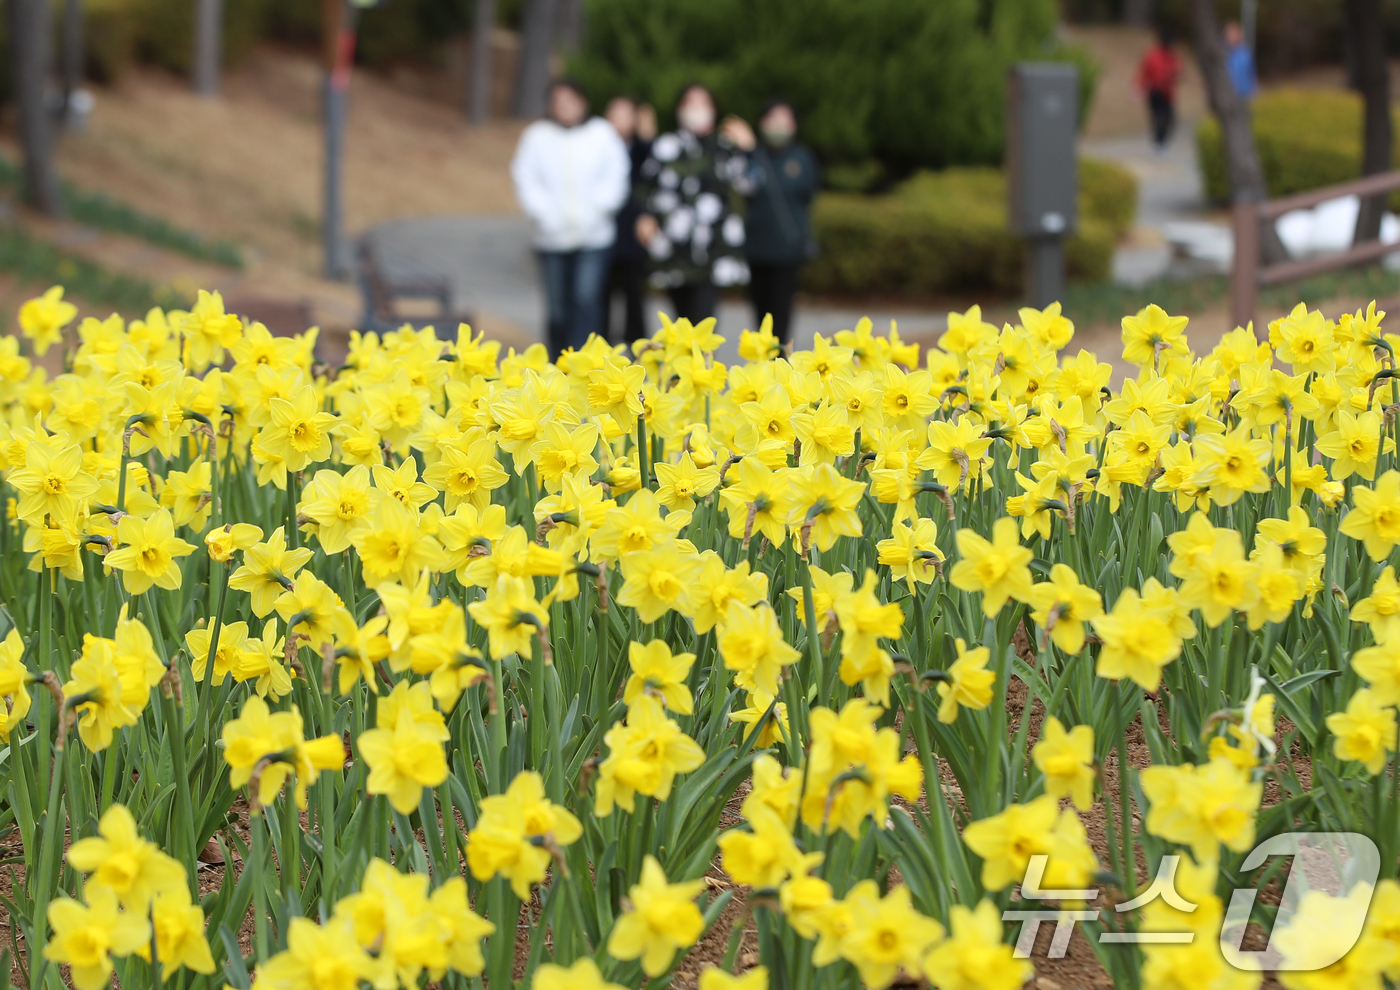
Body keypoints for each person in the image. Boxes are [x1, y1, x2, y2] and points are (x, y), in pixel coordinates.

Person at [510, 78, 631, 356]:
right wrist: (544, 215)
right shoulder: (536, 136)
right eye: (559, 102)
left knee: (586, 299)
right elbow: (525, 178)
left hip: (594, 235)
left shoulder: (601, 133)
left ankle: (587, 364)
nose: (565, 107)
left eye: (571, 101)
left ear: (583, 102)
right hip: (551, 238)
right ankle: (558, 365)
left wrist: (596, 210)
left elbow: (615, 176)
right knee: (557, 308)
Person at [634, 83, 754, 325]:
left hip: (712, 249)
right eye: (690, 103)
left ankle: (702, 364)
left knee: (703, 324)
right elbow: (645, 186)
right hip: (673, 247)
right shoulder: (666, 146)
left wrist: (750, 149)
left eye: (703, 103)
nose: (696, 109)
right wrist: (644, 216)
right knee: (681, 323)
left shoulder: (725, 146)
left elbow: (749, 184)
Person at [743, 99, 818, 348]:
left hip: (787, 248)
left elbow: (806, 194)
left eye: (784, 120)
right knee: (760, 312)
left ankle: (780, 362)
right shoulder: (752, 155)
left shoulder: (801, 157)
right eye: (772, 119)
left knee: (781, 311)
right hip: (756, 246)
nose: (778, 126)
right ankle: (764, 359)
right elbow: (747, 188)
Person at [603, 95, 654, 346]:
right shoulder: (597, 149)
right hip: (604, 234)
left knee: (635, 297)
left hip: (635, 235)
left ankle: (638, 349)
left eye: (626, 114)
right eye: (614, 113)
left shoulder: (644, 150)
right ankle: (602, 350)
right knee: (602, 298)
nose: (619, 120)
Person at [1136, 28, 1182, 150]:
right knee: (1158, 118)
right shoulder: (1153, 55)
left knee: (1169, 118)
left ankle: (1162, 141)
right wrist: (1140, 87)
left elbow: (1177, 73)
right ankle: (1158, 142)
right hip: (1155, 92)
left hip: (1167, 93)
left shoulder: (1171, 57)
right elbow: (1145, 72)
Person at [1225, 21, 1257, 100]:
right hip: (1228, 96)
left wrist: (1254, 91)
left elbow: (1252, 73)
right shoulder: (1223, 53)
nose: (1232, 37)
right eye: (1230, 34)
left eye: (1234, 34)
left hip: (1245, 95)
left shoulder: (1246, 53)